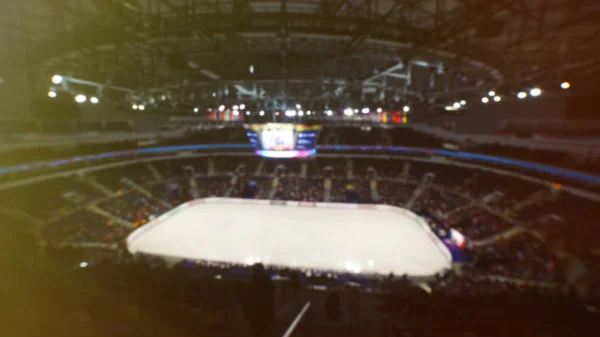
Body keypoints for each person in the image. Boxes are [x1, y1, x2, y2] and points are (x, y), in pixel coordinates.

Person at [245, 263, 275, 337]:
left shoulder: (254, 281)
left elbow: (250, 296)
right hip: (264, 313)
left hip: (257, 314)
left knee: (258, 332)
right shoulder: (267, 280)